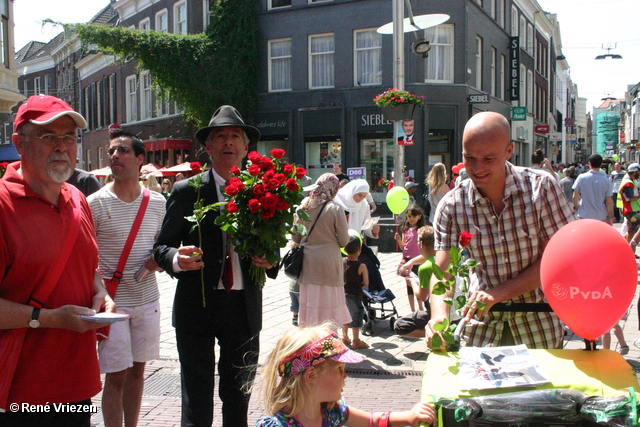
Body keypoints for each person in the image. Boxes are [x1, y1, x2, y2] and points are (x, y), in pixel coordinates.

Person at [153, 105, 278, 427]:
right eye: (219, 136)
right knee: (196, 396)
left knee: (238, 395)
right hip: (197, 305)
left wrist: (271, 258)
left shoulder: (263, 191)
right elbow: (160, 248)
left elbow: (274, 246)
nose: (228, 142)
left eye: (235, 136)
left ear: (246, 146)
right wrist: (175, 259)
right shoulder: (186, 191)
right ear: (207, 147)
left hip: (243, 307)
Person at [0, 94, 113, 426]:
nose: (62, 146)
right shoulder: (3, 206)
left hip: (77, 385)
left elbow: (87, 265)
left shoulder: (78, 198)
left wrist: (101, 294)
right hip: (18, 393)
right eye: (49, 137)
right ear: (19, 144)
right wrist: (48, 318)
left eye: (69, 137)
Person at [426, 112, 575, 350]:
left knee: (539, 388)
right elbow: (442, 271)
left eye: (488, 159)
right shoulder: (452, 204)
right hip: (481, 325)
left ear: (509, 152)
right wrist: (438, 315)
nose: (476, 168)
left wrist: (499, 293)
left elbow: (559, 258)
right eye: (469, 157)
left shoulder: (542, 188)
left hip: (537, 320)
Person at [88, 132, 166, 427]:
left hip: (148, 299)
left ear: (140, 159)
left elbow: (160, 245)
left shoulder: (157, 202)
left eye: (122, 150)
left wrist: (160, 260)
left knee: (137, 371)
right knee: (116, 376)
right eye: (111, 151)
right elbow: (85, 255)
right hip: (113, 304)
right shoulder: (95, 202)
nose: (114, 156)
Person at [254, 324, 437, 427]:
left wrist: (409, 417)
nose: (345, 376)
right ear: (312, 376)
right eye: (340, 369)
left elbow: (371, 421)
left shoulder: (332, 411)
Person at [293, 173, 351, 327]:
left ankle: (311, 340)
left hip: (308, 264)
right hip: (329, 264)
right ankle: (329, 340)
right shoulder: (335, 208)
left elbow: (295, 237)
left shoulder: (303, 207)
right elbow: (344, 240)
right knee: (329, 304)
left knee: (311, 303)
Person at [334, 179, 384, 292]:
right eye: (359, 194)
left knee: (370, 266)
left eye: (364, 196)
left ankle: (368, 296)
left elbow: (366, 226)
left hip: (354, 246)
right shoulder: (337, 201)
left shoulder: (364, 205)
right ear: (352, 191)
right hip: (337, 245)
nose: (361, 198)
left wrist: (374, 230)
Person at [395, 225, 436, 338]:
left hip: (436, 311)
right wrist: (411, 262)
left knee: (400, 326)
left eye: (417, 240)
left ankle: (435, 334)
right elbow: (429, 255)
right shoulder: (444, 257)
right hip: (454, 312)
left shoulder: (425, 268)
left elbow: (422, 297)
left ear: (421, 244)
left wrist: (412, 282)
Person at [395, 204, 426, 312]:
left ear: (419, 217)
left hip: (418, 260)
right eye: (409, 216)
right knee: (409, 285)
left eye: (413, 216)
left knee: (418, 283)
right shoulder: (405, 229)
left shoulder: (421, 230)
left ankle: (421, 307)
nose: (411, 219)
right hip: (407, 260)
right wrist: (399, 240)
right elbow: (404, 247)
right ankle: (412, 309)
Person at [341, 234, 369, 349]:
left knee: (344, 316)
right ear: (360, 250)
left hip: (343, 294)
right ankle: (356, 340)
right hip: (355, 295)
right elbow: (366, 283)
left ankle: (344, 337)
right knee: (356, 316)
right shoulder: (361, 266)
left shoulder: (342, 262)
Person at [572, 153, 613, 224]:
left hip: (584, 214)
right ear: (601, 164)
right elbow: (609, 201)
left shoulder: (581, 177)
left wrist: (577, 207)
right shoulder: (606, 180)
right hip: (600, 215)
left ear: (589, 164)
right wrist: (610, 216)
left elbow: (575, 196)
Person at [618, 163, 640, 242]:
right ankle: (628, 248)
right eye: (639, 172)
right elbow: (630, 198)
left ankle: (621, 245)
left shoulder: (630, 180)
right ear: (635, 172)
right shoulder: (628, 183)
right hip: (632, 210)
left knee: (631, 232)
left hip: (631, 210)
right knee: (633, 232)